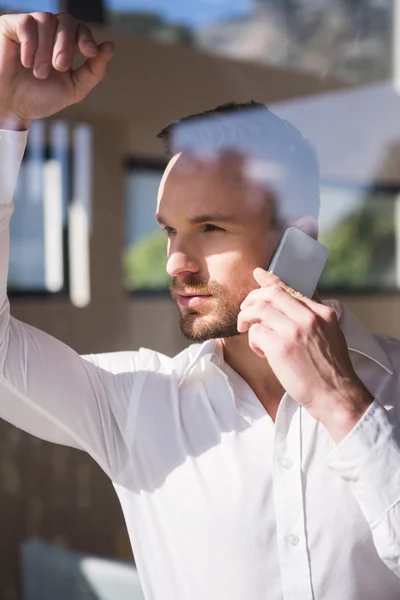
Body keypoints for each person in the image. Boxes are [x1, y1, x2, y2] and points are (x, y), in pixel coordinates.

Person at [0, 11, 399, 600]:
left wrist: (345, 406)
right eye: (168, 231)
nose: (175, 263)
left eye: (209, 227)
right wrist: (5, 121)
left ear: (300, 241)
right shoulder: (135, 404)